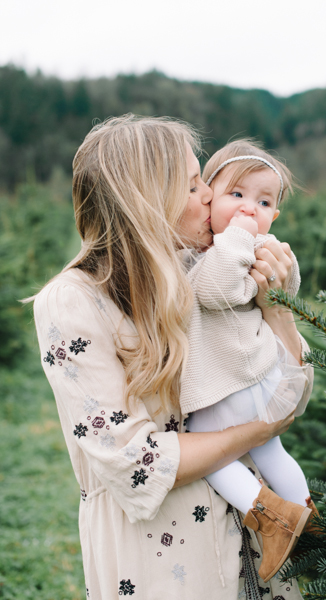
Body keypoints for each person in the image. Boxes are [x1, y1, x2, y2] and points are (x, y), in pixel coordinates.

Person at [33, 115, 307, 599]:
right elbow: (132, 460)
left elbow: (288, 397)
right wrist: (257, 431)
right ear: (146, 199)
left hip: (260, 542)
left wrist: (276, 307)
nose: (211, 195)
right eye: (193, 184)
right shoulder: (72, 301)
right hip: (167, 561)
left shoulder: (202, 273)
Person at [183, 140, 317, 582]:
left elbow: (218, 290)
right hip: (261, 378)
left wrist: (239, 234)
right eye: (235, 196)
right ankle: (306, 511)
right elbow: (282, 286)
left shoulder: (225, 252)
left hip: (233, 384)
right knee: (271, 448)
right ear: (209, 198)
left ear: (274, 215)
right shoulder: (247, 248)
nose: (247, 210)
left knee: (209, 447)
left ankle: (273, 519)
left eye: (262, 202)